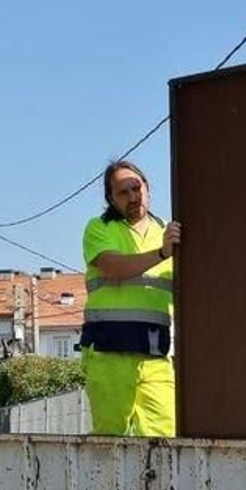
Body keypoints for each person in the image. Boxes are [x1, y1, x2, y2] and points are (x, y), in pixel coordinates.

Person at [80, 161, 181, 436]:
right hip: (108, 352)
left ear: (148, 189)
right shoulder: (99, 228)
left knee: (165, 439)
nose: (133, 196)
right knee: (110, 440)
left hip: (154, 355)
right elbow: (113, 268)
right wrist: (161, 253)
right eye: (123, 192)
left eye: (137, 188)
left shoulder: (167, 232)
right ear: (111, 199)